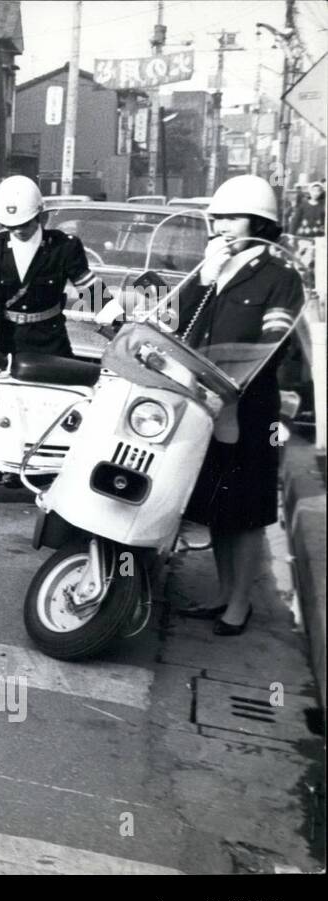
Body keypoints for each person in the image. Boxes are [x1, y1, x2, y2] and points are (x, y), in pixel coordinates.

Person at [175, 175, 304, 636]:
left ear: (261, 222)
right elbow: (177, 322)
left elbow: (276, 342)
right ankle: (222, 592)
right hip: (206, 401)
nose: (223, 226)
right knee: (217, 508)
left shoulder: (279, 277)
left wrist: (234, 377)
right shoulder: (213, 269)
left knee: (246, 512)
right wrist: (203, 278)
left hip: (249, 408)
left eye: (234, 217)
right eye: (219, 218)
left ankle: (240, 604)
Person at [0, 175, 119, 359]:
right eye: (10, 226)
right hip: (5, 340)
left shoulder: (64, 246)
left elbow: (89, 288)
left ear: (42, 216)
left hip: (50, 341)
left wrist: (118, 321)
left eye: (24, 224)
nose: (18, 231)